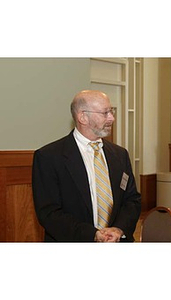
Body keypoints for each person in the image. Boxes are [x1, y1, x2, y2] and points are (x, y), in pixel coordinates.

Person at [32, 90, 141, 242]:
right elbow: (49, 213)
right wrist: (92, 235)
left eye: (111, 111)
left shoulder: (120, 154)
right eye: (105, 113)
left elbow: (132, 200)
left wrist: (118, 229)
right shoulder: (49, 157)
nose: (112, 118)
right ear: (83, 117)